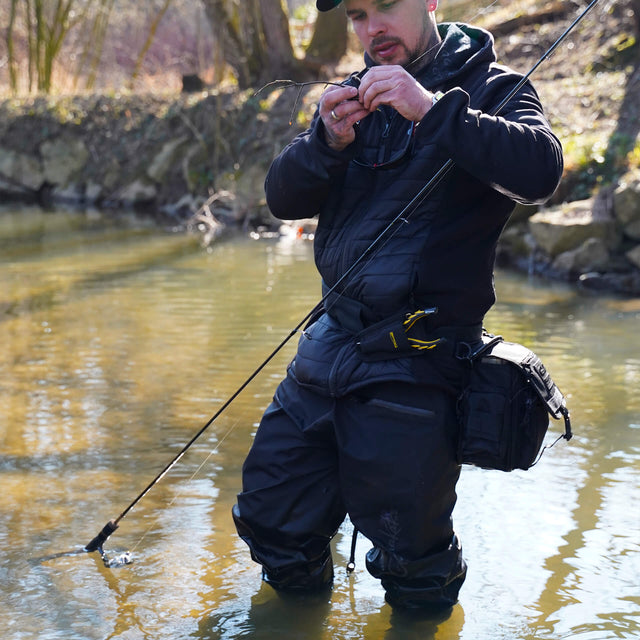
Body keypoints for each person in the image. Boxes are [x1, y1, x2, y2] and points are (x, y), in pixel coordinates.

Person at [232, 0, 563, 611]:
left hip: (420, 361)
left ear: (431, 2)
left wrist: (432, 111)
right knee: (269, 522)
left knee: (411, 558)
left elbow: (542, 171)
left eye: (385, 6)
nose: (371, 28)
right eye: (357, 15)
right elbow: (282, 198)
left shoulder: (497, 88)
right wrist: (324, 142)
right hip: (327, 347)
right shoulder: (351, 96)